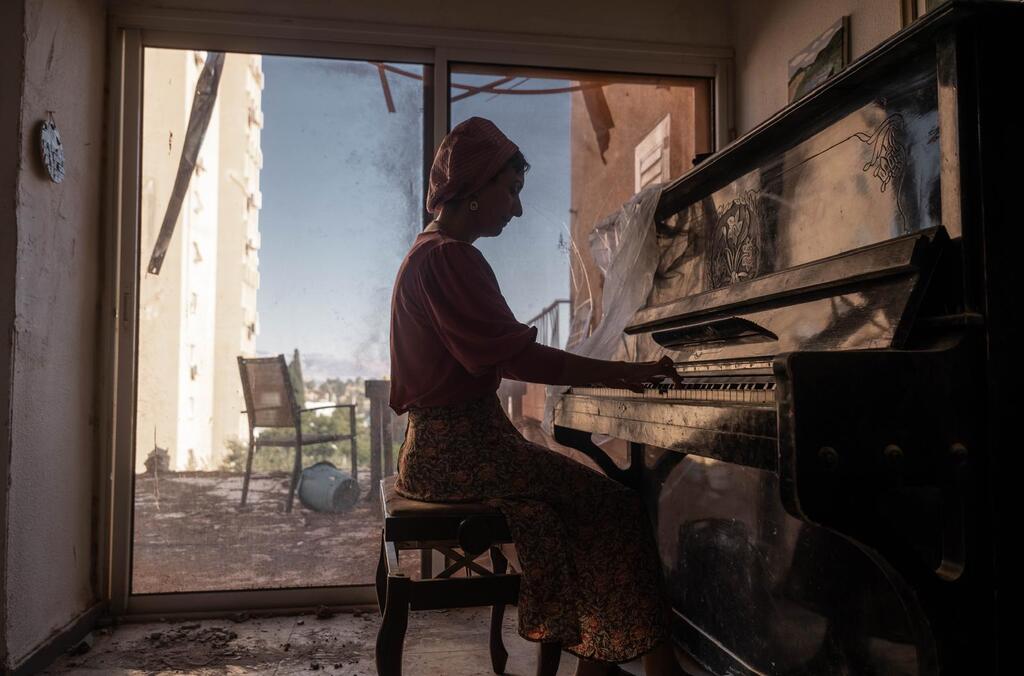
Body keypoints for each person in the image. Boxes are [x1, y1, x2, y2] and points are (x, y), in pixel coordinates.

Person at [389, 116, 686, 676]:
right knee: (615, 506)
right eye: (512, 191)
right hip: (461, 453)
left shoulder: (427, 253)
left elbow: (501, 355)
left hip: (442, 451)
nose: (518, 210)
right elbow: (518, 357)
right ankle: (647, 666)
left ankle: (606, 659)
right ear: (475, 187)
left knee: (575, 506)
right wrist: (625, 375)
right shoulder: (450, 257)